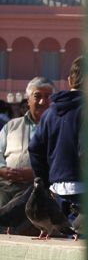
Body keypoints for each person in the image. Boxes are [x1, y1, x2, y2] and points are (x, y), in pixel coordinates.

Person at [29, 56, 85, 221]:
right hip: (85, 190)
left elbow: (34, 149)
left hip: (56, 190)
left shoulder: (49, 113)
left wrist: (45, 184)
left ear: (69, 81)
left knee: (63, 238)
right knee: (82, 240)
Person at [0, 77, 55, 209]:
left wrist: (35, 173)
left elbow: (61, 160)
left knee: (16, 211)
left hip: (36, 187)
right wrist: (2, 170)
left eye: (47, 96)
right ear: (28, 99)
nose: (42, 101)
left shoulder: (58, 127)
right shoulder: (11, 125)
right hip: (5, 185)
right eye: (37, 96)